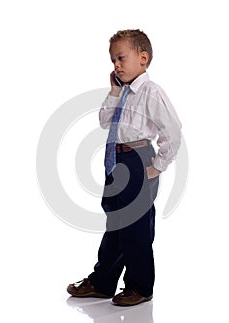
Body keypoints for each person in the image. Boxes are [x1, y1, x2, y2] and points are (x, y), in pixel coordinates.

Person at [67, 29, 182, 306]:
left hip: (137, 160)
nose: (116, 65)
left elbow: (173, 131)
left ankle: (140, 286)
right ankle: (104, 281)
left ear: (143, 58)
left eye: (121, 58)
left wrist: (157, 166)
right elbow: (105, 121)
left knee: (136, 227)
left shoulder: (151, 92)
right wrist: (114, 90)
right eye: (112, 60)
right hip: (115, 160)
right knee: (116, 224)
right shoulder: (124, 91)